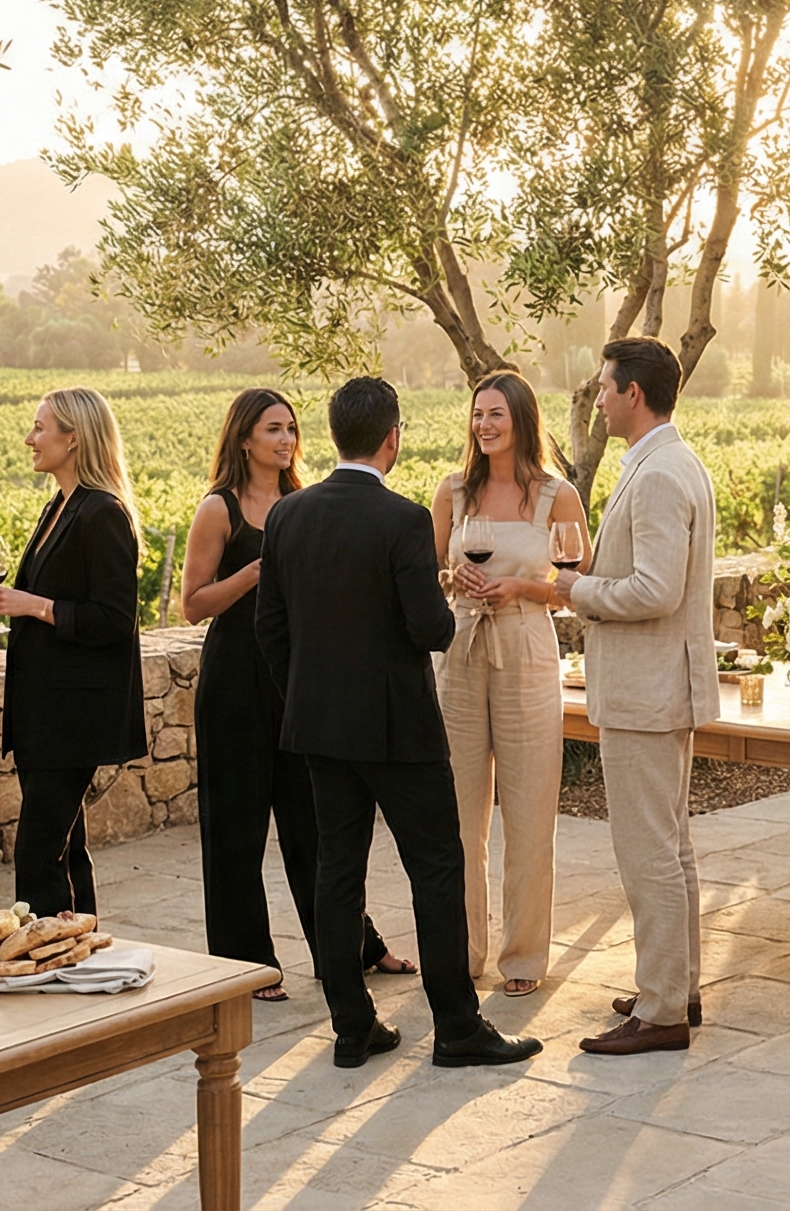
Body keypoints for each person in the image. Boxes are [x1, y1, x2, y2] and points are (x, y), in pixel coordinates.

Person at [257, 377, 540, 1070]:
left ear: (333, 436)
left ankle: (353, 1028)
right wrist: (448, 608)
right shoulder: (404, 519)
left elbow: (270, 628)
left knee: (336, 873)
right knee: (438, 869)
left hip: (319, 728)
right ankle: (457, 1029)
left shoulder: (288, 517)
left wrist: (311, 695)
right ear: (392, 438)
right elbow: (429, 628)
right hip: (398, 732)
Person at [182, 388, 406, 1003]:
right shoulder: (218, 510)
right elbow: (193, 604)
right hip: (234, 681)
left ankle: (349, 949)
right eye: (272, 429)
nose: (285, 440)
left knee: (315, 825)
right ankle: (247, 965)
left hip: (297, 677)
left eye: (291, 429)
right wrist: (256, 572)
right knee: (235, 831)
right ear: (245, 438)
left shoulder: (304, 504)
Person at [557, 336, 721, 1055]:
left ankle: (660, 1013)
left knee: (647, 850)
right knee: (672, 847)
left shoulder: (657, 475)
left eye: (603, 387)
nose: (597, 399)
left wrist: (576, 591)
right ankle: (674, 987)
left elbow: (656, 589)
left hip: (645, 690)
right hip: (662, 686)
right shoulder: (672, 461)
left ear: (633, 394)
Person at [428, 371, 582, 996]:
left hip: (525, 645)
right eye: (477, 414)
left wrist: (524, 588)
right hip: (461, 651)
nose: (484, 425)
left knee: (528, 810)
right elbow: (430, 572)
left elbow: (577, 588)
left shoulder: (556, 494)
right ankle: (461, 953)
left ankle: (522, 958)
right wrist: (451, 582)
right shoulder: (453, 492)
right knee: (458, 817)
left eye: (496, 414)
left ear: (521, 418)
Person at [0, 388, 147, 918]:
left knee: (37, 854)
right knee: (67, 850)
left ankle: (43, 964)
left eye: (39, 427)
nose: (29, 438)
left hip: (72, 718)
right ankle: (85, 954)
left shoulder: (102, 513)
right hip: (44, 713)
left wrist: (35, 605)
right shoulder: (61, 504)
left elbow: (116, 619)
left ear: (72, 438)